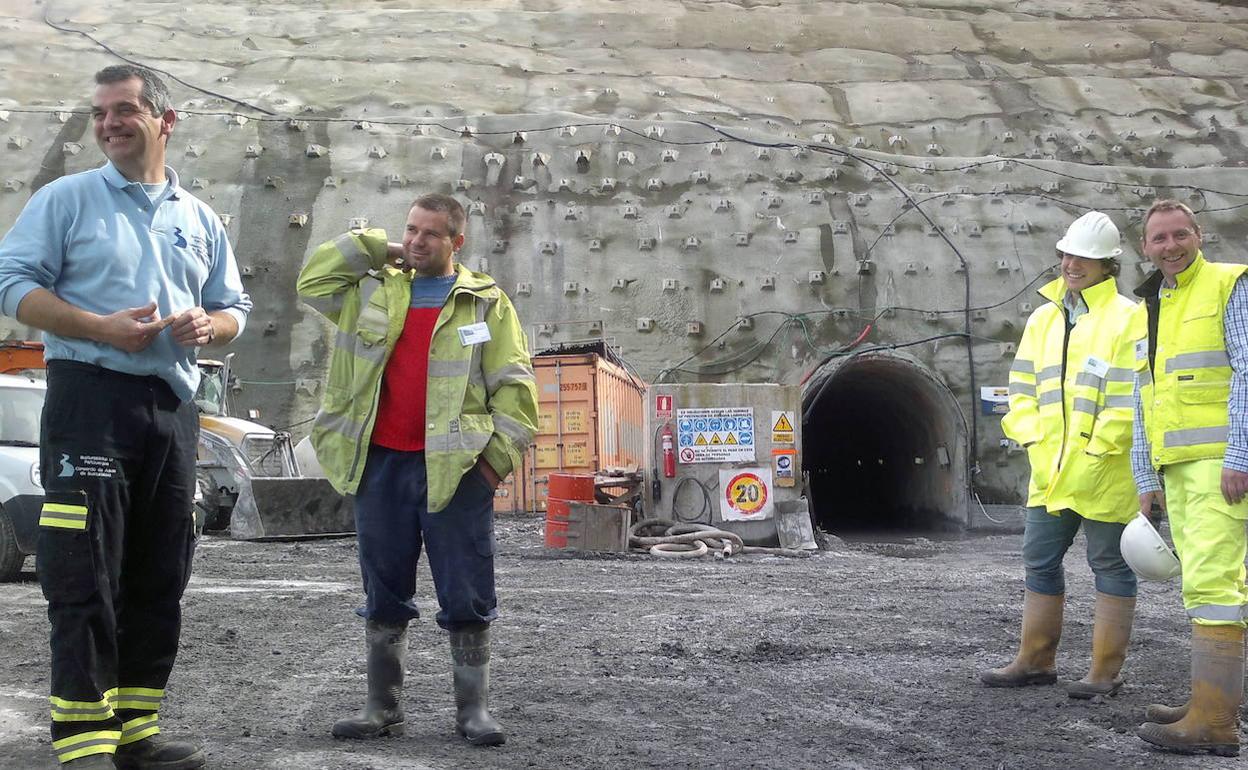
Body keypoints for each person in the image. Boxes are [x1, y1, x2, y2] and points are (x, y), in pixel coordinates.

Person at [0, 65, 251, 769]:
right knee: (84, 568)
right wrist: (98, 327)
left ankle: (137, 731)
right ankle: (84, 740)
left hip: (173, 410)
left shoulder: (199, 218)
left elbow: (235, 307)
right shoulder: (66, 200)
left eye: (124, 110)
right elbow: (10, 283)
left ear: (165, 121)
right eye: (100, 113)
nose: (108, 123)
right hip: (90, 400)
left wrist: (211, 325)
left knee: (160, 571)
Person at [297, 193, 537, 746]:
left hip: (457, 471)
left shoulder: (485, 303)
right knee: (382, 587)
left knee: (466, 588)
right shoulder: (371, 290)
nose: (415, 241)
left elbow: (515, 389)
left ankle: (473, 712)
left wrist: (490, 469)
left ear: (457, 241)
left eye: (430, 233)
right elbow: (311, 282)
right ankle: (382, 709)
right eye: (410, 230)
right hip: (380, 465)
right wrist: (373, 246)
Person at [981, 211, 1141, 698]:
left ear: (1108, 265)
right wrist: (1031, 439)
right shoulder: (1043, 318)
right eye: (1068, 255)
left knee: (1110, 564)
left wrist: (1096, 450)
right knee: (1039, 559)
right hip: (1049, 468)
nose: (1073, 264)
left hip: (1104, 469)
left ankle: (1103, 673)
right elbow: (1022, 388)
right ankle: (1035, 660)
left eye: (1085, 258)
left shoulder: (1129, 318)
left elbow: (1131, 398)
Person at [1131, 199, 1247, 757]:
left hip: (1217, 466)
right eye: (1159, 238)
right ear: (1145, 248)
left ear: (1199, 236)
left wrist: (1241, 455)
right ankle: (1208, 700)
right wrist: (1144, 472)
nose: (1171, 246)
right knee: (1206, 582)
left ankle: (1215, 722)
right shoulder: (1153, 304)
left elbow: (1247, 369)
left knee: (1213, 586)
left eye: (1180, 234)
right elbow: (1145, 393)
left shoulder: (1228, 285)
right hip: (1179, 467)